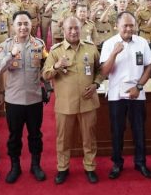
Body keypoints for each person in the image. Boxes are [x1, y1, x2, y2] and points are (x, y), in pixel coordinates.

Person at [42, 16, 103, 184]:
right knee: (63, 139)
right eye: (70, 29)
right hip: (65, 104)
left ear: (81, 28)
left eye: (76, 28)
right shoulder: (55, 51)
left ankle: (90, 167)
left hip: (88, 102)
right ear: (64, 31)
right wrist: (56, 66)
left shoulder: (91, 49)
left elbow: (100, 70)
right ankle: (63, 168)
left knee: (89, 138)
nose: (74, 31)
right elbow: (45, 74)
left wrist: (96, 84)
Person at [0, 11, 48, 183]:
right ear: (13, 26)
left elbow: (45, 68)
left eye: (26, 23)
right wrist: (11, 55)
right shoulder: (6, 45)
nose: (23, 27)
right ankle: (15, 166)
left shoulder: (39, 44)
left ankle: (35, 165)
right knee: (14, 136)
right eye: (19, 24)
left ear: (31, 25)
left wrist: (47, 87)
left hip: (34, 99)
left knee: (35, 135)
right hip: (14, 100)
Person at [100, 12, 151, 180]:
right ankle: (117, 163)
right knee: (117, 130)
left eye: (132, 25)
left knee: (139, 129)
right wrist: (114, 54)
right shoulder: (109, 44)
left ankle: (141, 163)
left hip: (137, 93)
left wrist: (138, 87)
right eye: (125, 25)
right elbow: (103, 72)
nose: (129, 29)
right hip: (116, 95)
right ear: (117, 26)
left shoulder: (142, 42)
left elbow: (149, 66)